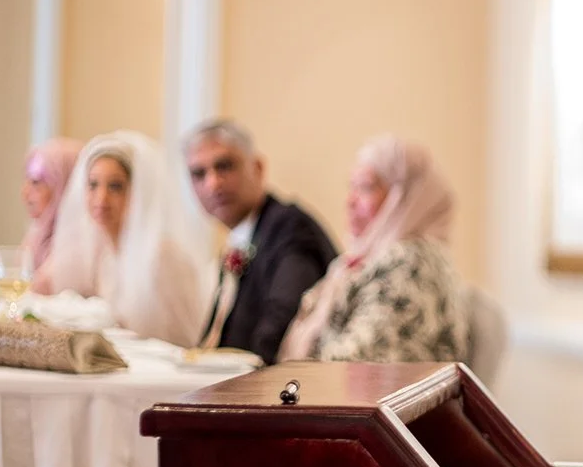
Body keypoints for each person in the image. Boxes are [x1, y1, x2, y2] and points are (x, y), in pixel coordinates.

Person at [279, 136, 470, 363]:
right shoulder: (361, 260)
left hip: (371, 395)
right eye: (352, 187)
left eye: (366, 188)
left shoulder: (410, 263)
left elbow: (355, 364)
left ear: (406, 199)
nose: (350, 201)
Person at [183, 119, 337, 365]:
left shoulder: (292, 230)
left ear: (257, 167)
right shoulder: (243, 235)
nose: (213, 184)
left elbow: (279, 325)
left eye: (224, 166)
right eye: (198, 174)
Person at [46, 130, 208, 347]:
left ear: (137, 192)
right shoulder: (106, 257)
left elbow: (190, 341)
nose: (101, 198)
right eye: (93, 185)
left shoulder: (163, 256)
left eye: (115, 187)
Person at [20, 137, 82, 282]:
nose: (25, 192)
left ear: (65, 186)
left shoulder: (78, 244)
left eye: (36, 183)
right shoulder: (37, 235)